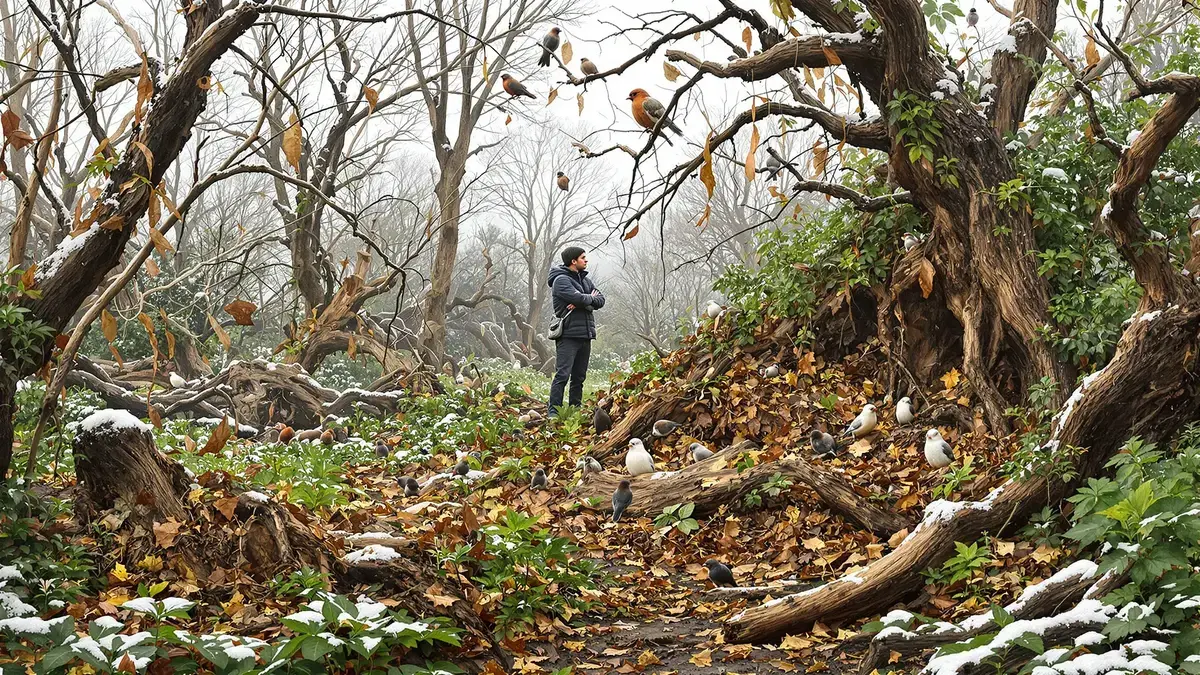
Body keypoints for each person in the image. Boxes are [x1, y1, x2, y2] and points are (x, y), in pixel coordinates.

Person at [547, 246, 604, 415]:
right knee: (562, 375)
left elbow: (601, 300)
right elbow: (579, 298)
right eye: (582, 258)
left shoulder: (586, 281)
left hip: (585, 334)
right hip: (568, 335)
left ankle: (575, 410)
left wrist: (583, 302)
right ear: (573, 261)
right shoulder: (560, 280)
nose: (586, 260)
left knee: (579, 377)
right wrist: (588, 299)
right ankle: (554, 412)